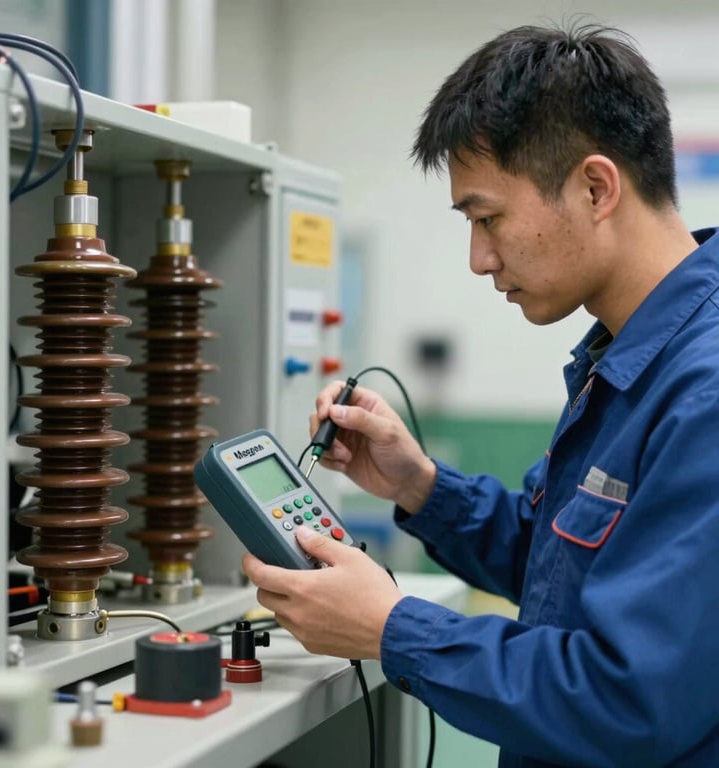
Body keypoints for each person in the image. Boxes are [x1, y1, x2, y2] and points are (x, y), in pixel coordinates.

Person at [242, 21, 719, 768]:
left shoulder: (704, 390)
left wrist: (391, 627)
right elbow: (562, 568)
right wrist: (422, 486)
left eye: (488, 218)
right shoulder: (624, 357)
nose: (478, 257)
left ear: (597, 187)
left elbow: (630, 698)